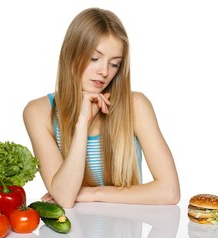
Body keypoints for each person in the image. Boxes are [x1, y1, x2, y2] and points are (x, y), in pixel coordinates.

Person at [23, 7, 180, 208]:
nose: (104, 72)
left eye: (114, 64)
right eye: (94, 59)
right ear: (71, 54)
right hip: (71, 237)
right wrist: (82, 124)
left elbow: (170, 191)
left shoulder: (136, 106)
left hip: (125, 236)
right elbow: (64, 197)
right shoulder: (38, 112)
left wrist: (93, 193)